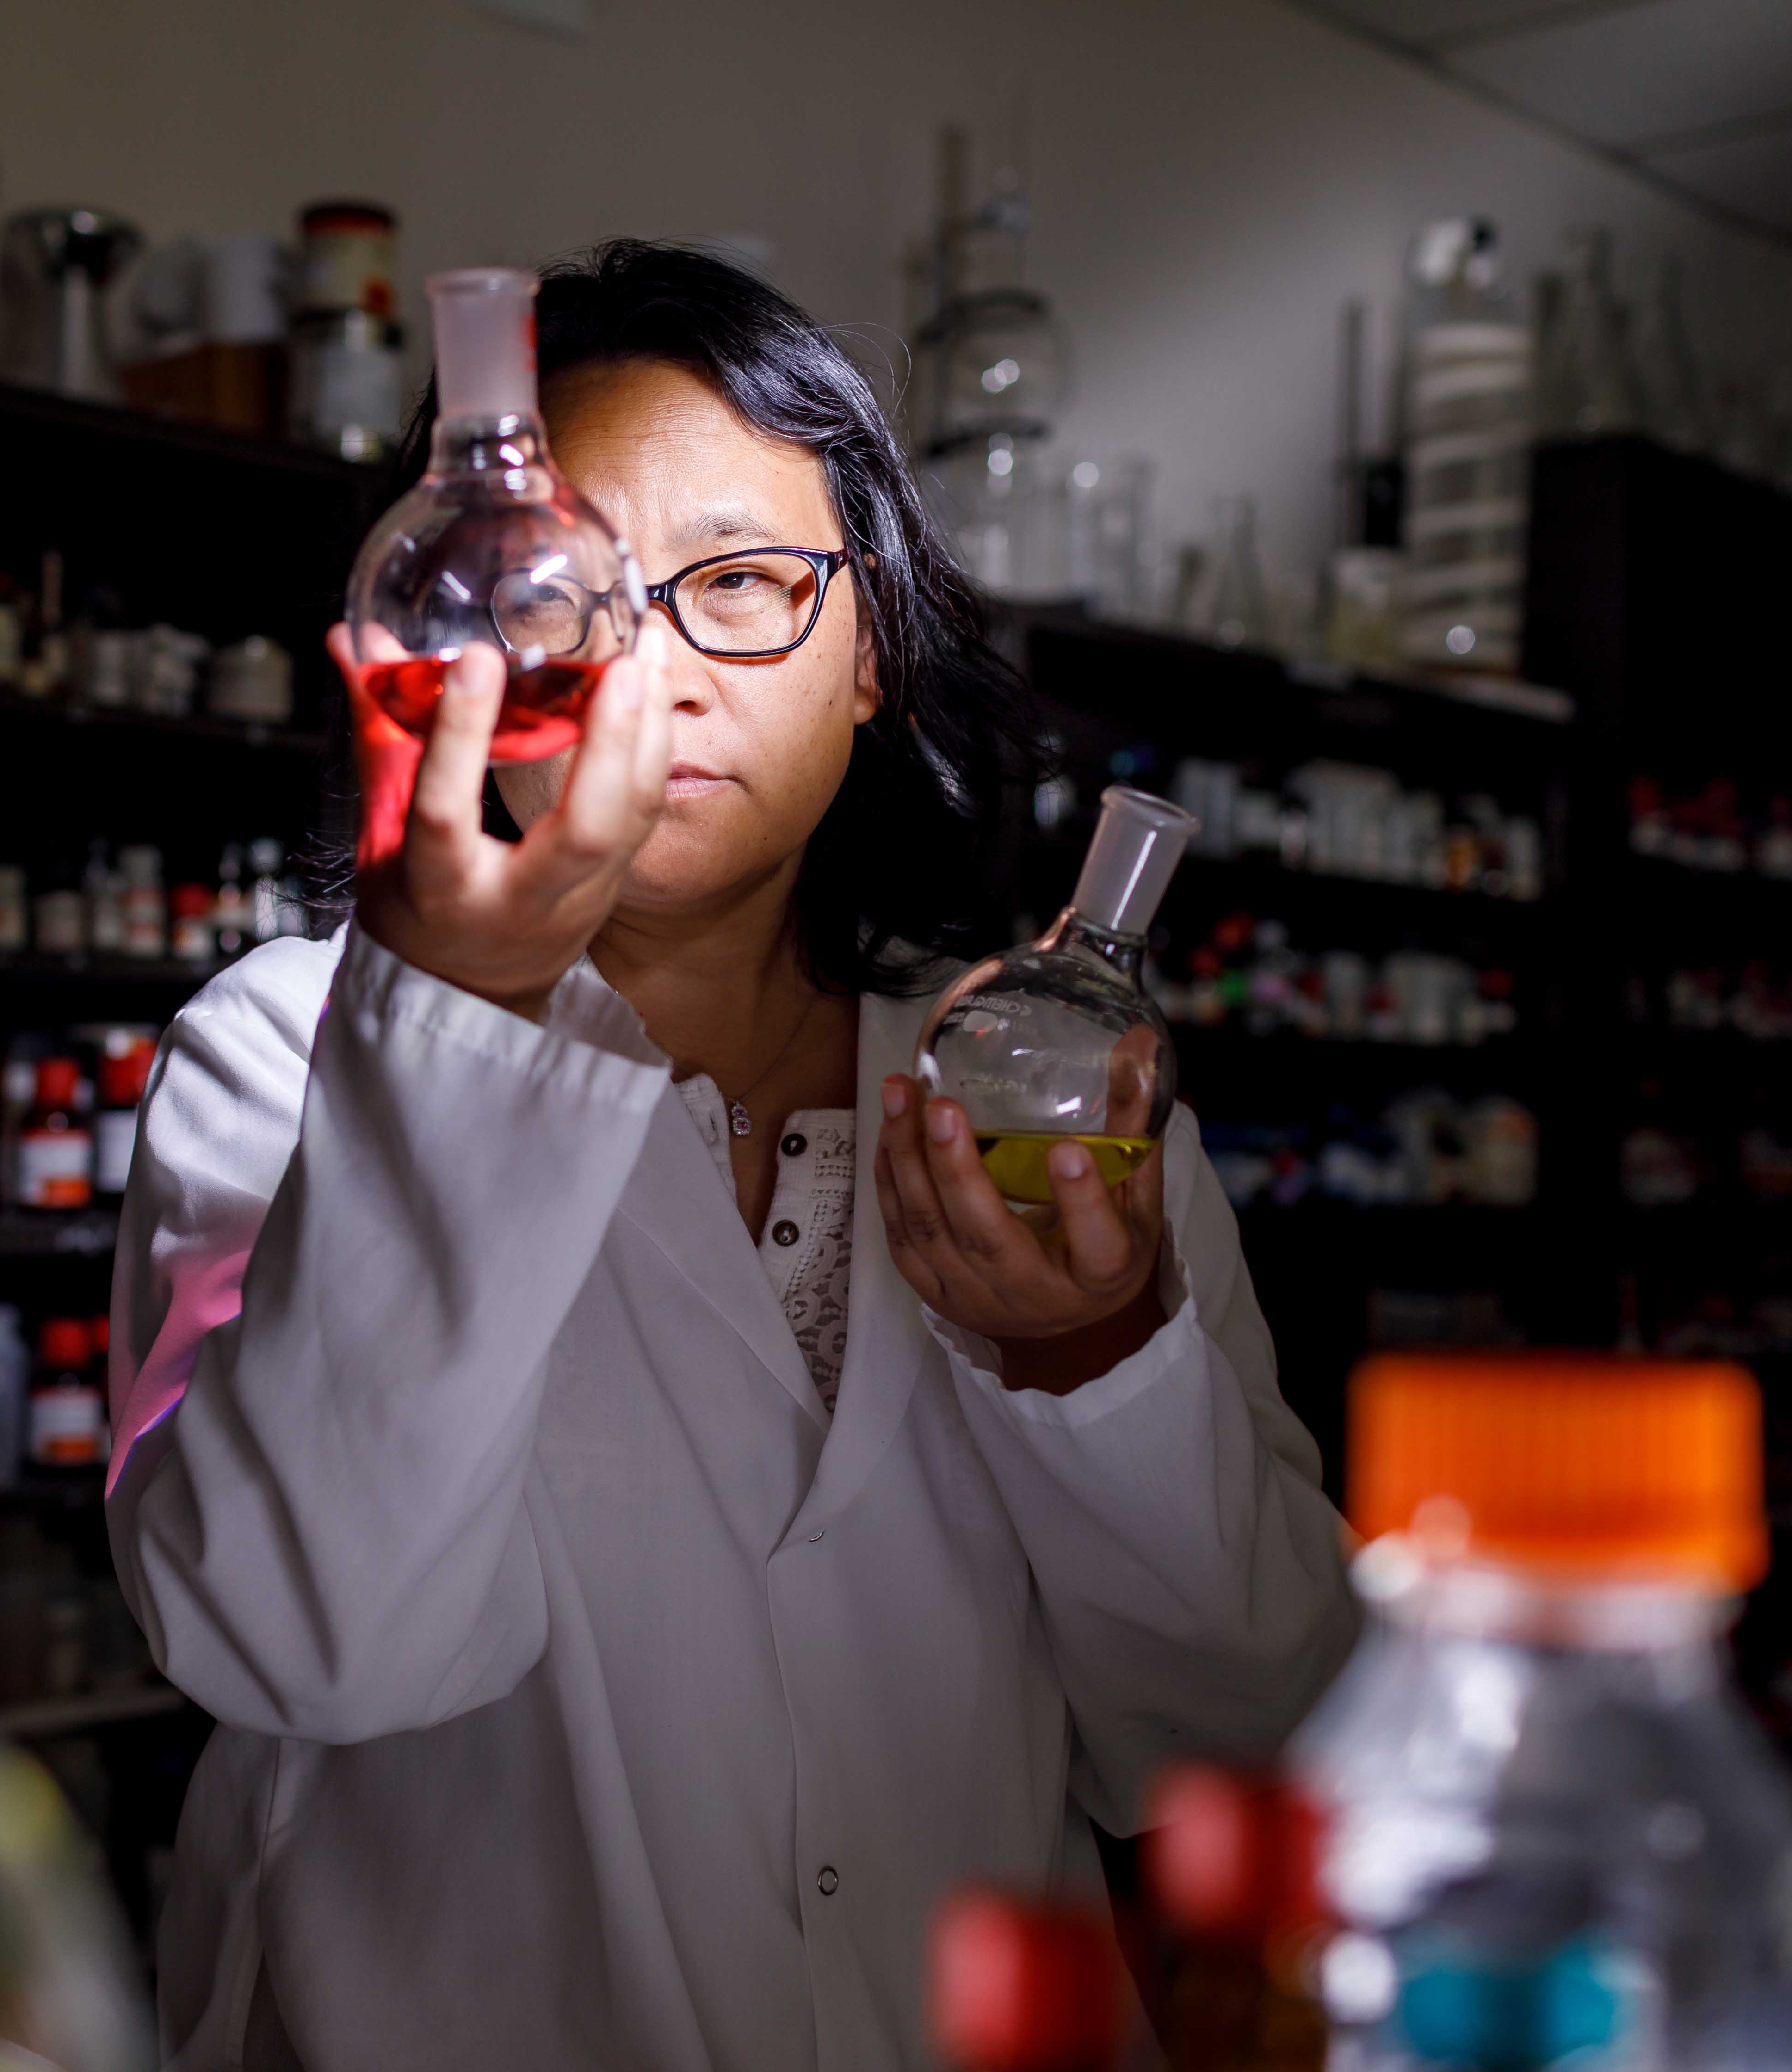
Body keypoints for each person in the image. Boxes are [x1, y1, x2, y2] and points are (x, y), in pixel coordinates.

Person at [104, 241, 1356, 2071]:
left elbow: (1250, 1721)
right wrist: (461, 1019)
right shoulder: (290, 1057)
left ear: (872, 658)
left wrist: (1096, 1360)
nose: (656, 670)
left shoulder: (1036, 1091)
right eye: (575, 589)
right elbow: (308, 1644)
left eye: (748, 583)